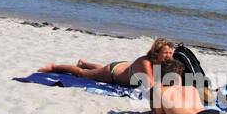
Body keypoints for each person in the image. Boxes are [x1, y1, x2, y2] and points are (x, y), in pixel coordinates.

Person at [39, 38, 175, 89]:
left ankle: (84, 62)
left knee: (98, 70)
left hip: (124, 67)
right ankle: (54, 66)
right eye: (166, 53)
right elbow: (151, 85)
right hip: (113, 74)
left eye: (170, 53)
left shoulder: (162, 63)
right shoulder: (146, 62)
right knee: (83, 74)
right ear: (157, 52)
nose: (169, 56)